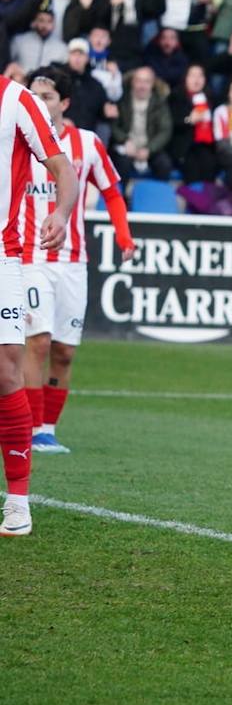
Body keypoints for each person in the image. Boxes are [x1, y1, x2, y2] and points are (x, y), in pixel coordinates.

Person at [19, 68, 134, 457]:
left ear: (65, 103)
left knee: (65, 350)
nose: (38, 102)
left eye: (47, 96)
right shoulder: (16, 139)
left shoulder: (86, 144)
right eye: (33, 95)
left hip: (72, 262)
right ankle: (31, 429)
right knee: (37, 341)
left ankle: (49, 429)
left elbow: (112, 192)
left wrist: (124, 236)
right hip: (29, 257)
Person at [0, 71, 76, 536]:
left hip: (1, 254)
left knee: (7, 369)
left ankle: (18, 500)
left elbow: (62, 168)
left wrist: (62, 212)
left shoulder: (16, 98)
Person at [110, 66, 173, 180]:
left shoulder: (159, 102)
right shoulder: (122, 100)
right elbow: (113, 126)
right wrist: (125, 140)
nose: (142, 86)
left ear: (152, 84)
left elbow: (165, 130)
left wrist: (149, 149)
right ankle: (123, 196)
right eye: (138, 81)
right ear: (133, 82)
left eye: (146, 82)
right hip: (127, 146)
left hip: (150, 147)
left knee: (164, 164)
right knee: (121, 164)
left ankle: (157, 195)